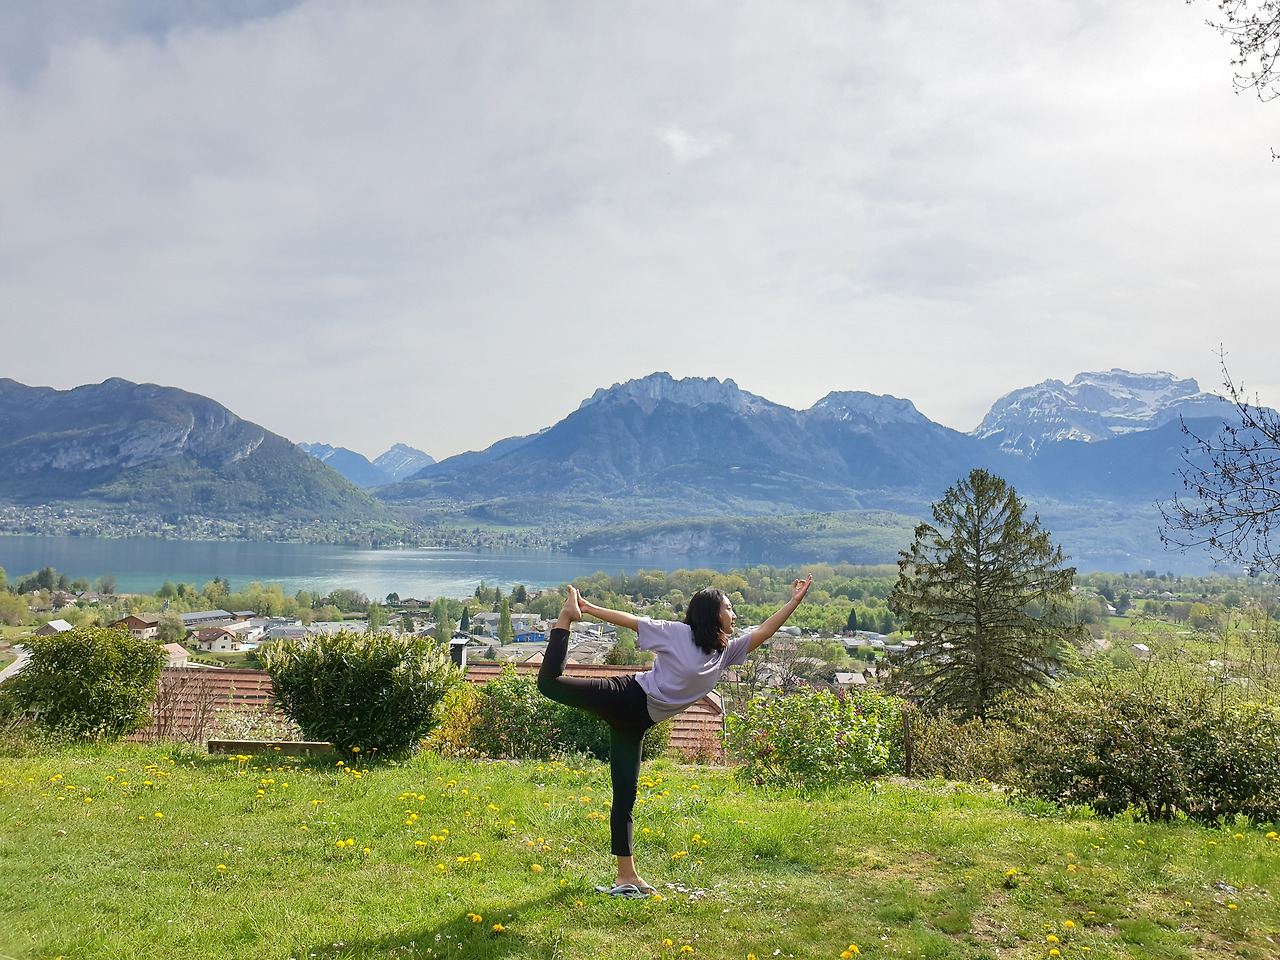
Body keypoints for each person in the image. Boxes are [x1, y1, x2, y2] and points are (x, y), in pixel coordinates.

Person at [537, 575, 813, 897]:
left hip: (637, 723)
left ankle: (627, 877)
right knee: (550, 684)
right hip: (627, 696)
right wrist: (586, 608)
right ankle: (565, 619)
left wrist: (793, 602)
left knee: (625, 797)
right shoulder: (678, 634)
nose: (734, 614)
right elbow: (632, 622)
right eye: (728, 607)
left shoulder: (725, 653)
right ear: (713, 613)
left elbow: (764, 631)